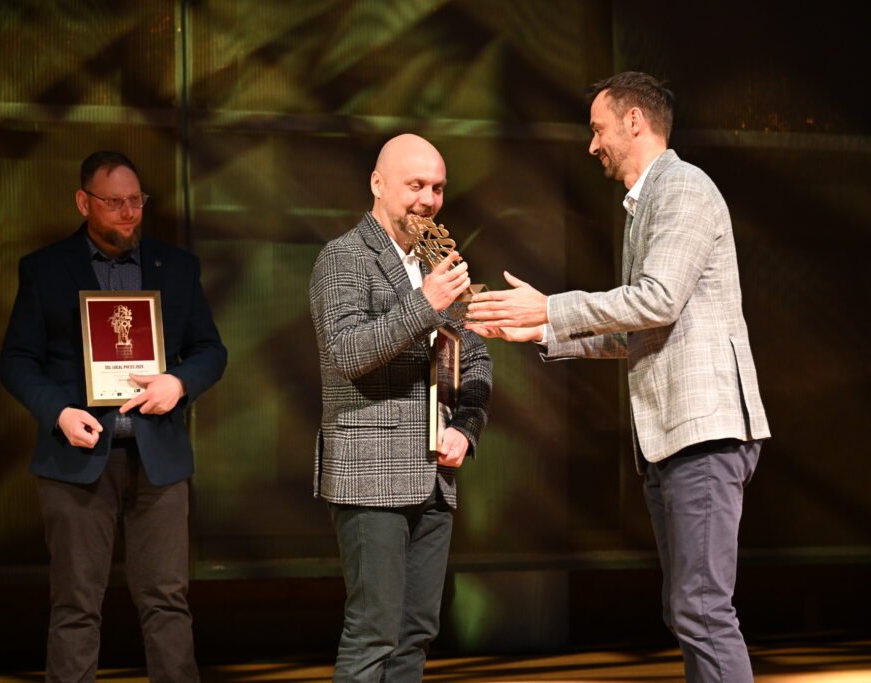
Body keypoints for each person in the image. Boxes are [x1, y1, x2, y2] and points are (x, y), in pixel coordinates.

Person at [466, 72, 770, 682]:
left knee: (701, 610)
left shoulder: (682, 187)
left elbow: (656, 299)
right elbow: (639, 327)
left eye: (597, 129)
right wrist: (540, 329)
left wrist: (550, 307)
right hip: (674, 439)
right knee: (687, 611)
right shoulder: (645, 206)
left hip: (703, 432)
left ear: (634, 121)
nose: (592, 145)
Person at [0, 151, 227, 682]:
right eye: (115, 202)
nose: (129, 213)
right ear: (84, 202)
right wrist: (58, 411)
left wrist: (178, 383)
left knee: (167, 600)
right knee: (76, 604)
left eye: (136, 201)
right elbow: (16, 361)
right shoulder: (44, 269)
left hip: (158, 459)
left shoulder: (177, 266)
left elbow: (210, 351)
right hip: (77, 457)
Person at [309, 134, 492, 682]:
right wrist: (425, 303)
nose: (428, 199)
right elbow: (347, 353)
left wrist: (466, 426)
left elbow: (475, 357)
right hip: (371, 476)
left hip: (435, 475)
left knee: (416, 632)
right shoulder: (343, 257)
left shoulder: (438, 261)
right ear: (378, 183)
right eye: (416, 185)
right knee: (374, 633)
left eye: (437, 187)